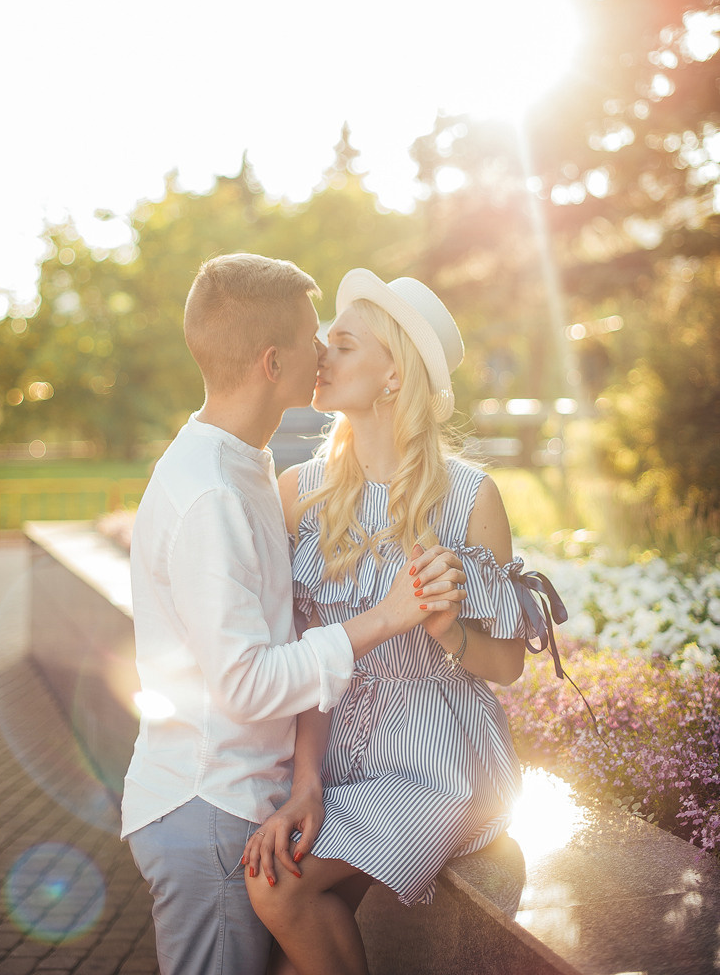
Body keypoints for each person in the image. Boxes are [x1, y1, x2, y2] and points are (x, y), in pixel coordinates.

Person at [120, 254, 465, 975]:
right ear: (273, 363)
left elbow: (287, 628)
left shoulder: (246, 465)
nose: (324, 348)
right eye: (316, 335)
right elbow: (245, 683)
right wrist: (385, 617)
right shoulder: (211, 494)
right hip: (211, 805)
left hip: (247, 800)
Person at [244, 268, 531, 975]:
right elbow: (300, 652)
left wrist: (449, 632)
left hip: (438, 763)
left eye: (342, 344)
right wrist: (307, 780)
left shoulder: (469, 496)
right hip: (329, 746)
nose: (320, 354)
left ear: (393, 375)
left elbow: (508, 666)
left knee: (276, 886)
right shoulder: (298, 492)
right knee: (298, 909)